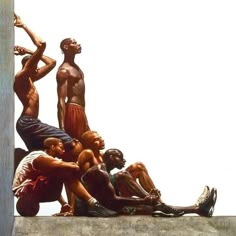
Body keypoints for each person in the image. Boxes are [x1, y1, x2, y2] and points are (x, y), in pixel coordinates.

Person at [13, 14, 116, 217]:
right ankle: (84, 193)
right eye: (33, 65)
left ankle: (71, 204)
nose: (37, 69)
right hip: (28, 123)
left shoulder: (31, 78)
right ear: (27, 67)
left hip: (31, 124)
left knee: (50, 162)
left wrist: (28, 52)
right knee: (70, 144)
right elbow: (43, 46)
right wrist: (23, 26)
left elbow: (50, 62)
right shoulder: (22, 78)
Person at [13, 137, 117, 217]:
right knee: (66, 171)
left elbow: (47, 180)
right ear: (52, 147)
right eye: (61, 147)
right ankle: (93, 204)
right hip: (26, 192)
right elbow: (70, 167)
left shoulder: (45, 162)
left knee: (61, 172)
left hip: (31, 195)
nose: (63, 151)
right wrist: (80, 161)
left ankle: (74, 207)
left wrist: (64, 204)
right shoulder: (39, 157)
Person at [101, 148, 217, 217]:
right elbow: (112, 199)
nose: (124, 160)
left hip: (115, 193)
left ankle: (160, 204)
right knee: (123, 176)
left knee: (138, 167)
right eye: (120, 157)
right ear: (111, 157)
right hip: (111, 200)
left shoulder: (102, 165)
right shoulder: (95, 166)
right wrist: (143, 199)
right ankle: (195, 208)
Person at [56, 38, 90, 142]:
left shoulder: (76, 68)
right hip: (72, 110)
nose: (78, 44)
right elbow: (61, 100)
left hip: (81, 110)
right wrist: (62, 128)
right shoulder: (64, 70)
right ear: (66, 47)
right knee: (79, 145)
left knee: (88, 143)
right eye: (74, 43)